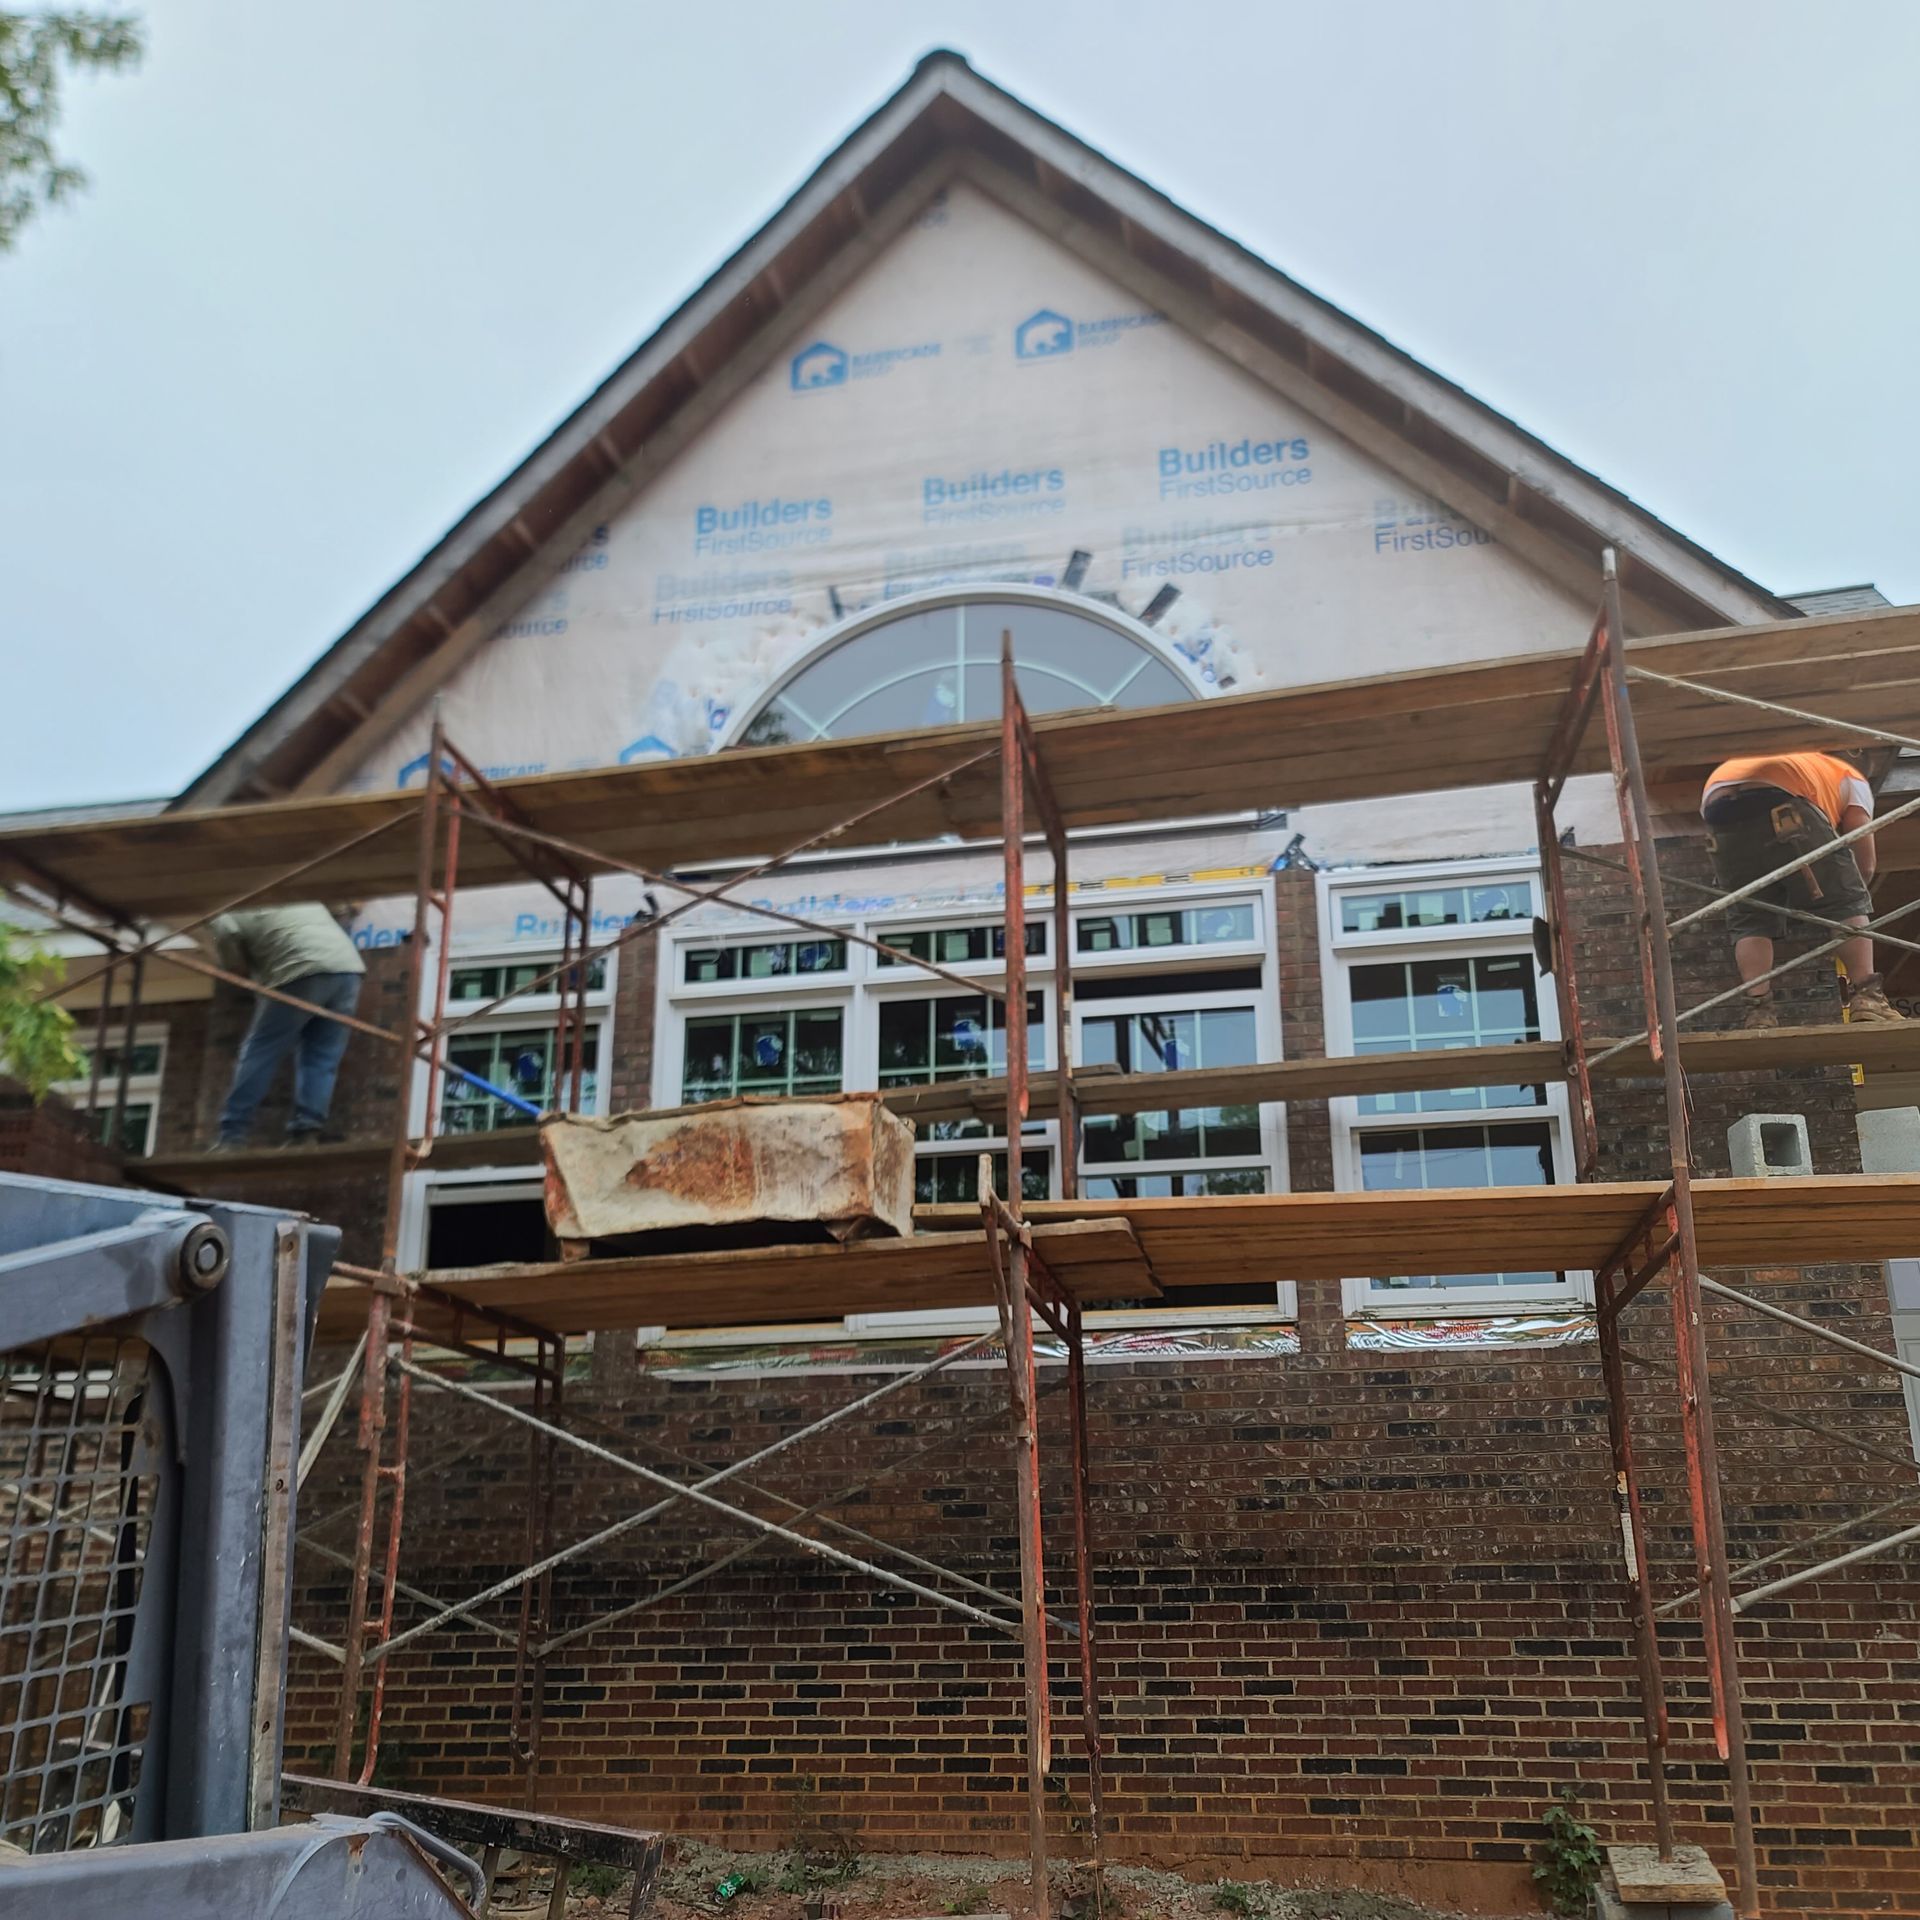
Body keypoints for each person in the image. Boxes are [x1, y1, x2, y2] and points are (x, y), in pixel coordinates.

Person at [1699, 749, 1899, 1028]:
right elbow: (1864, 861)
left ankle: (1759, 1011)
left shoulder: (1802, 763)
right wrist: (1841, 905)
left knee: (1751, 918)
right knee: (1846, 900)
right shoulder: (1851, 776)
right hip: (1782, 802)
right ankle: (1868, 998)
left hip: (1718, 815)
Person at [201, 904, 367, 1146]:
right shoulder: (287, 894)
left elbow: (228, 947)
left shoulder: (222, 908)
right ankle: (307, 1130)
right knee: (321, 1055)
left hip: (299, 968)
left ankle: (232, 1132)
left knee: (260, 1050)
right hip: (347, 970)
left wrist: (232, 961)